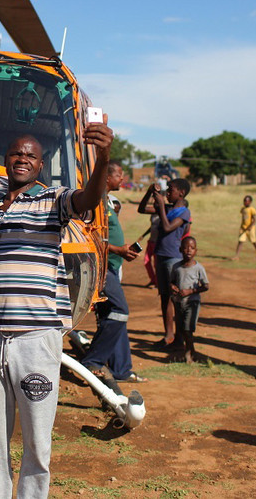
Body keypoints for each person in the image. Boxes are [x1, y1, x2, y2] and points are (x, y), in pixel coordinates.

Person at [0, 120, 113, 498]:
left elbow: (88, 200)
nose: (23, 159)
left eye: (31, 155)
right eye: (16, 153)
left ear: (40, 165)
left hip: (36, 341)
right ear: (6, 161)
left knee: (37, 445)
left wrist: (104, 157)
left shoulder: (54, 201)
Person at [81, 160, 146, 383]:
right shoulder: (96, 200)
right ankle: (92, 362)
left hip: (112, 266)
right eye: (120, 175)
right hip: (101, 266)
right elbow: (90, 237)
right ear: (108, 177)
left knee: (116, 315)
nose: (123, 179)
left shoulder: (107, 201)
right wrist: (118, 249)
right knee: (119, 310)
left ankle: (121, 369)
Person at [144, 178, 192, 350]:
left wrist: (161, 207)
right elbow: (141, 209)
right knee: (165, 297)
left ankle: (179, 338)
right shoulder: (169, 208)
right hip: (161, 256)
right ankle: (168, 336)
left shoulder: (184, 212)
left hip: (173, 258)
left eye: (171, 190)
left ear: (181, 193)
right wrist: (150, 192)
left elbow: (168, 227)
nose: (168, 193)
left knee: (175, 298)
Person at [169, 236, 209, 363]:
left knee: (187, 329)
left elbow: (206, 286)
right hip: (179, 302)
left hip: (192, 302)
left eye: (192, 248)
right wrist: (173, 287)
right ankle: (192, 351)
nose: (188, 250)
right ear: (180, 249)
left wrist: (191, 291)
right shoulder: (176, 267)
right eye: (185, 248)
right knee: (182, 329)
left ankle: (188, 353)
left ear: (196, 251)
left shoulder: (199, 268)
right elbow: (171, 281)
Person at [233, 195, 256, 260]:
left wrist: (250, 226)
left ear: (250, 202)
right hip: (243, 228)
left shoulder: (252, 209)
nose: (245, 202)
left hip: (250, 229)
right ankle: (237, 256)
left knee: (253, 241)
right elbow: (243, 218)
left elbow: (254, 220)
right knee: (240, 241)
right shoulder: (243, 209)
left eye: (247, 201)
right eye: (244, 201)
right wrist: (242, 226)